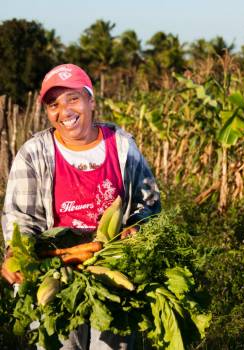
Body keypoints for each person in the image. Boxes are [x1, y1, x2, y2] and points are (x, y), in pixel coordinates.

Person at [1, 63, 161, 349]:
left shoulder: (122, 146)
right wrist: (18, 252)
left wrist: (136, 228)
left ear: (91, 101)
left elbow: (148, 202)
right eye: (54, 104)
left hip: (112, 266)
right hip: (53, 267)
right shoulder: (34, 153)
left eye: (73, 98)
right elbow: (21, 218)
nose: (64, 111)